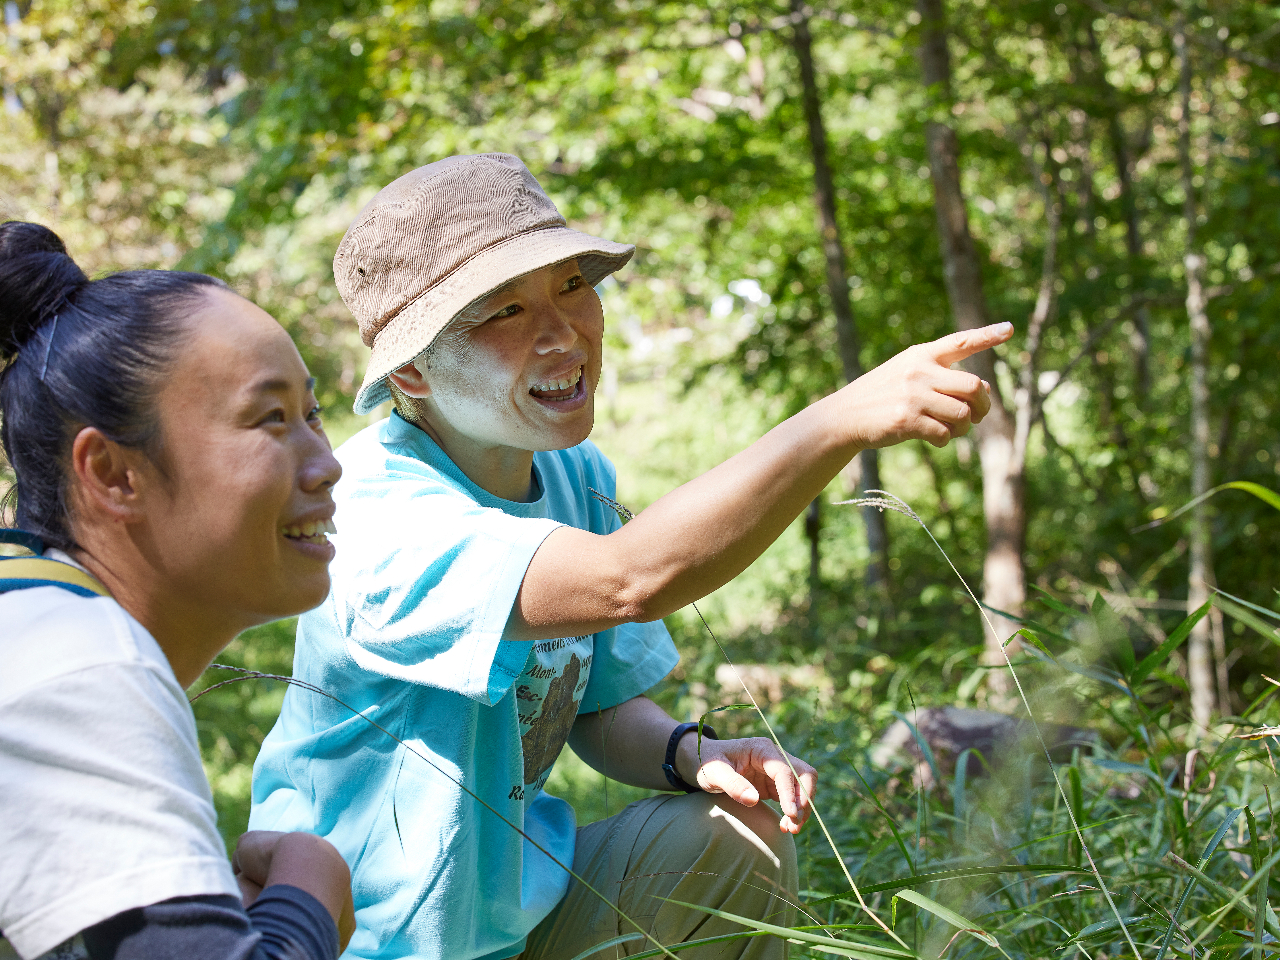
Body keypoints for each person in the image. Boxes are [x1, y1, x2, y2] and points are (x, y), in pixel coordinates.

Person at [249, 153, 1013, 960]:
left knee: (738, 835)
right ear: (412, 370)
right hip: (367, 941)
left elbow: (595, 709)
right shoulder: (378, 513)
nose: (562, 332)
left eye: (572, 284)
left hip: (524, 915)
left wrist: (692, 753)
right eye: (505, 310)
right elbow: (629, 581)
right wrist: (838, 420)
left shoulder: (575, 473)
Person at [0, 221, 357, 960]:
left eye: (313, 415)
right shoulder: (78, 668)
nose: (327, 464)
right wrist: (308, 894)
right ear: (111, 473)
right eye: (271, 418)